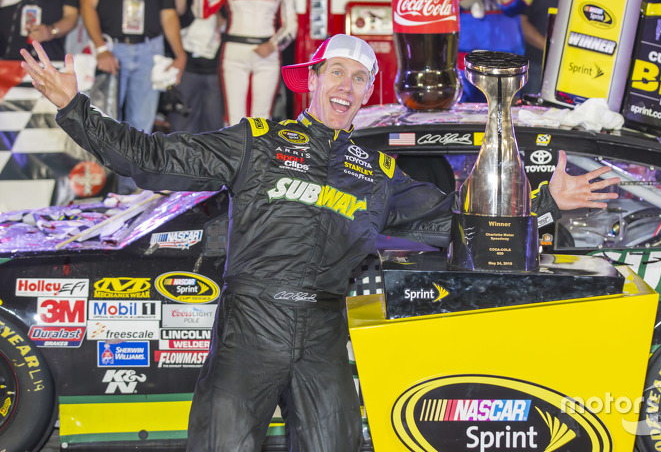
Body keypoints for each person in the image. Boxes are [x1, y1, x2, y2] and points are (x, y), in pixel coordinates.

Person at [21, 32, 621, 451]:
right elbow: (151, 159)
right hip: (249, 324)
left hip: (324, 331)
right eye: (337, 70)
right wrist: (73, 107)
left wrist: (542, 203)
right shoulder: (256, 139)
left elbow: (453, 224)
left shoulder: (377, 172)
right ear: (311, 79)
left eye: (361, 79)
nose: (348, 84)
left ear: (365, 96)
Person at [78, 0, 187, 134]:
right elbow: (87, 5)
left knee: (142, 125)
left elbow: (168, 13)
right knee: (105, 120)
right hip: (112, 49)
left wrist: (180, 54)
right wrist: (100, 48)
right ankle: (106, 169)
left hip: (149, 50)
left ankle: (135, 169)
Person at [195, 0, 297, 124]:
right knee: (233, 119)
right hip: (235, 52)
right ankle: (234, 156)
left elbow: (292, 26)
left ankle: (259, 157)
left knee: (262, 119)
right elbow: (201, 10)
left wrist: (273, 45)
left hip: (267, 54)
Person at [170, 0, 224, 132]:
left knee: (215, 131)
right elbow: (179, 9)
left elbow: (225, 21)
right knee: (182, 130)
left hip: (216, 70)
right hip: (188, 67)